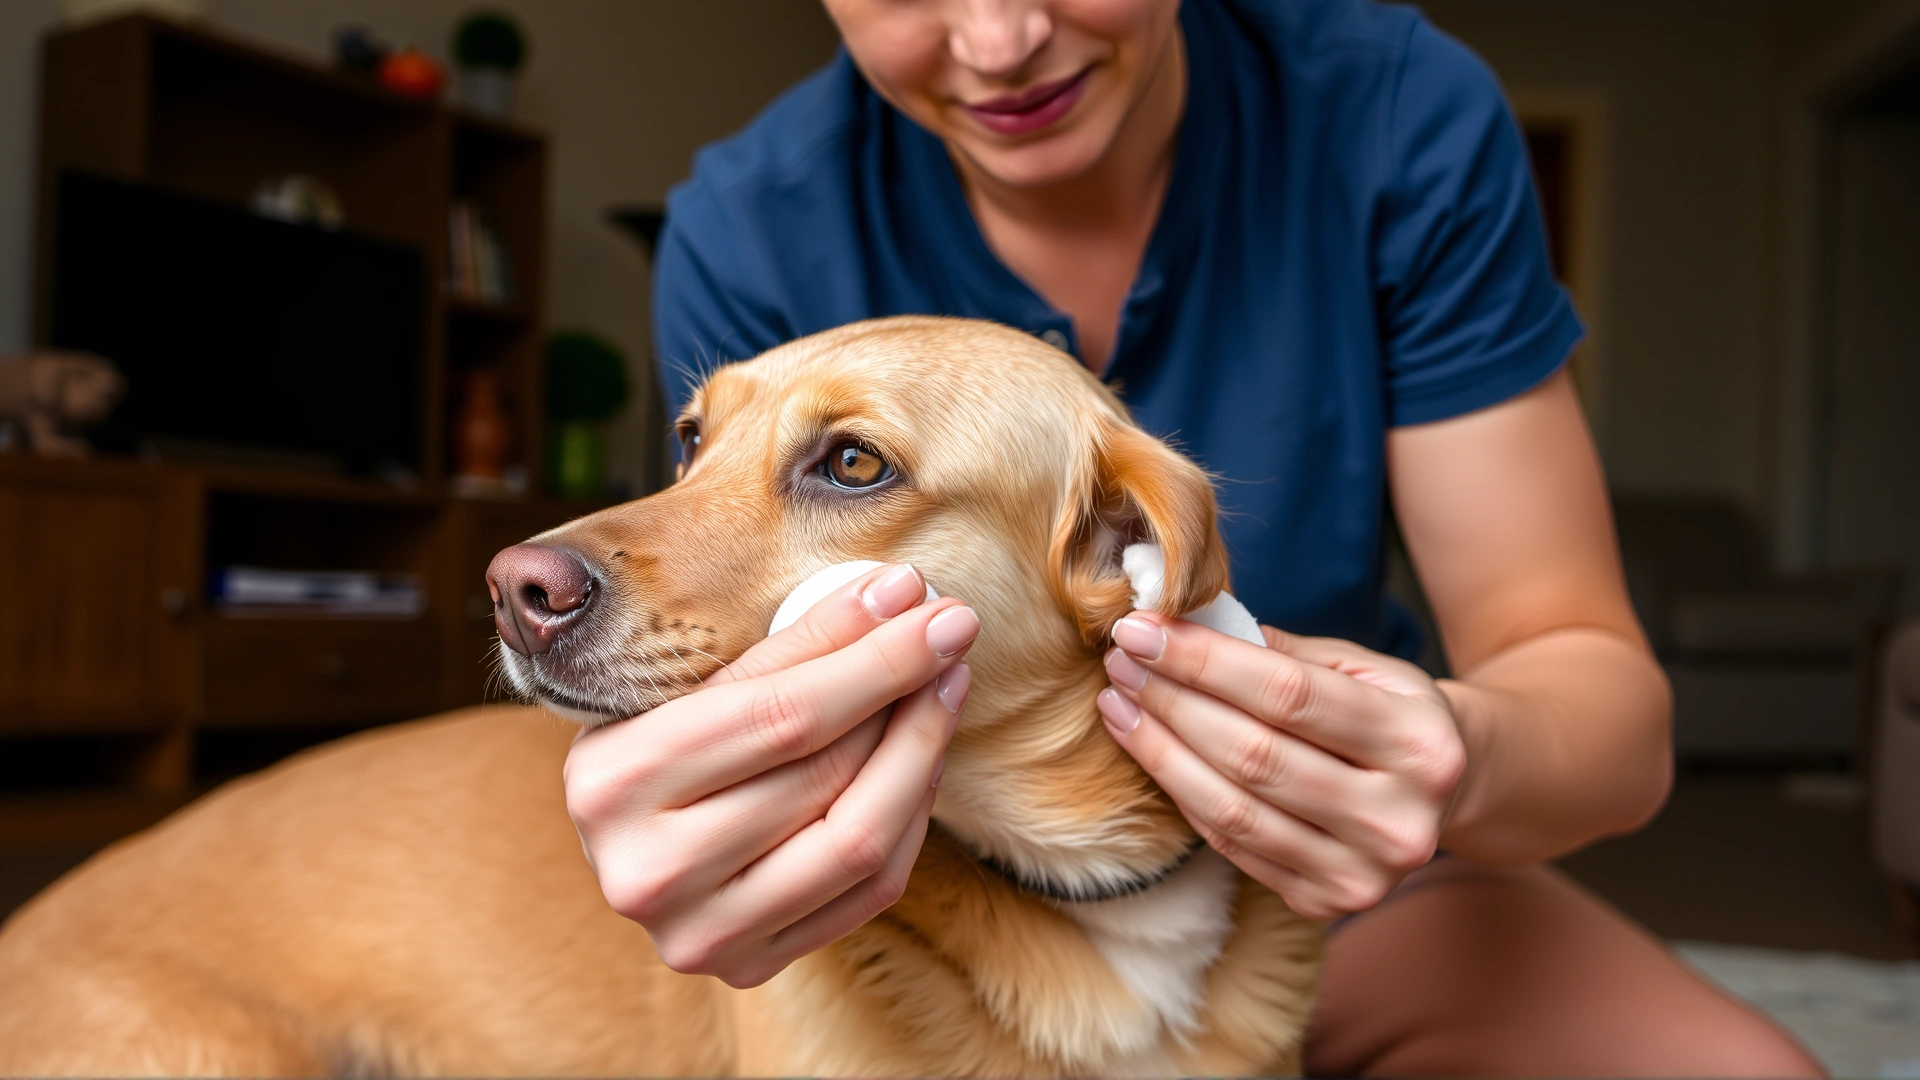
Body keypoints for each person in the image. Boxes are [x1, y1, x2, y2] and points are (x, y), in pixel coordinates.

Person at [564, 0, 1824, 1073]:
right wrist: (711, 825)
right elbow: (707, 600)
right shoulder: (751, 218)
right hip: (910, 883)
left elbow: (1597, 702)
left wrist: (1460, 756)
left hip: (1318, 872)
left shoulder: (1391, 118)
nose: (999, 40)